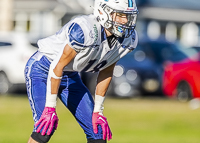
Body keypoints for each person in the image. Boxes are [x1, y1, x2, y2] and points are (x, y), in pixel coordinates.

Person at [24, 0, 138, 142]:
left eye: (128, 16)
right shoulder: (85, 29)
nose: (125, 20)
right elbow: (57, 66)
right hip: (43, 69)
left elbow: (107, 71)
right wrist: (50, 108)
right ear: (103, 12)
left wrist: (98, 110)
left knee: (97, 132)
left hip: (69, 74)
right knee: (45, 128)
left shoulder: (127, 40)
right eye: (120, 15)